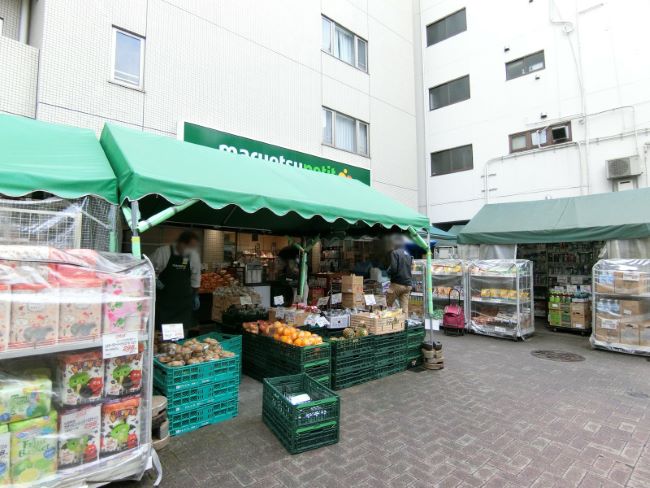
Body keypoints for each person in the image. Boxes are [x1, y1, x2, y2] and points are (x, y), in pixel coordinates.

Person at [150, 231, 201, 330]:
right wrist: (155, 280)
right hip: (164, 302)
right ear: (181, 243)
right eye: (189, 246)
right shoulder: (163, 252)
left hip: (183, 304)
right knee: (161, 334)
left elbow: (196, 279)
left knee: (181, 332)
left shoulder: (193, 256)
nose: (191, 250)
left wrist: (195, 295)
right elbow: (148, 269)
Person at [386, 238, 413, 316]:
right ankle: (404, 324)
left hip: (397, 284)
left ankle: (388, 324)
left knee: (388, 303)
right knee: (404, 308)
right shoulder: (408, 254)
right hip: (408, 285)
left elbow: (394, 268)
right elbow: (410, 268)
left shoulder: (395, 253)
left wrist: (388, 272)